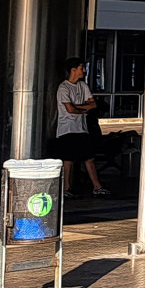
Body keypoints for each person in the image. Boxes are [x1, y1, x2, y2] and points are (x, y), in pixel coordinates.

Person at [56, 57, 108, 199]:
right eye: (81, 68)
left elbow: (92, 104)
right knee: (68, 159)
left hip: (81, 128)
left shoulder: (83, 86)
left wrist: (78, 108)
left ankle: (97, 187)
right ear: (73, 70)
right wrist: (83, 109)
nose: (84, 71)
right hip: (67, 129)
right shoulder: (63, 88)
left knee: (89, 158)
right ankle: (66, 188)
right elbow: (70, 109)